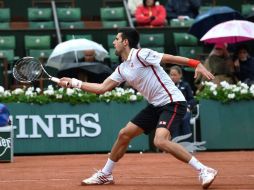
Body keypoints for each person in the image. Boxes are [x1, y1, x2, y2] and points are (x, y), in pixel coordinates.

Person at [58, 27, 217, 189]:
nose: (113, 43)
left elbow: (169, 58)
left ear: (125, 42)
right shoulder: (122, 69)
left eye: (116, 39)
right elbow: (101, 88)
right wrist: (74, 83)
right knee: (124, 134)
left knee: (160, 141)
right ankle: (105, 174)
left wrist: (195, 63)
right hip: (155, 106)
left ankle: (204, 170)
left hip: (172, 102)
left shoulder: (141, 54)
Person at [169, 65, 196, 140]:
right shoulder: (168, 86)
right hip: (172, 111)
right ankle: (175, 144)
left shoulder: (185, 85)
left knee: (184, 119)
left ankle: (187, 145)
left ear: (180, 75)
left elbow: (192, 100)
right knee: (174, 120)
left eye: (175, 75)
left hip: (184, 110)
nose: (172, 77)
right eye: (171, 75)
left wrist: (188, 107)